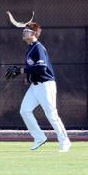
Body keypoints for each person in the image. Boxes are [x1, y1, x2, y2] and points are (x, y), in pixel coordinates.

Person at [17, 22, 71, 152]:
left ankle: (65, 142)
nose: (23, 32)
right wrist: (28, 78)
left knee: (51, 114)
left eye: (26, 30)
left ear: (34, 34)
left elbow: (42, 68)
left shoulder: (38, 47)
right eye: (23, 30)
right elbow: (33, 68)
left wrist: (22, 70)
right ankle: (39, 137)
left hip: (46, 85)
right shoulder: (30, 48)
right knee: (24, 111)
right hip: (34, 87)